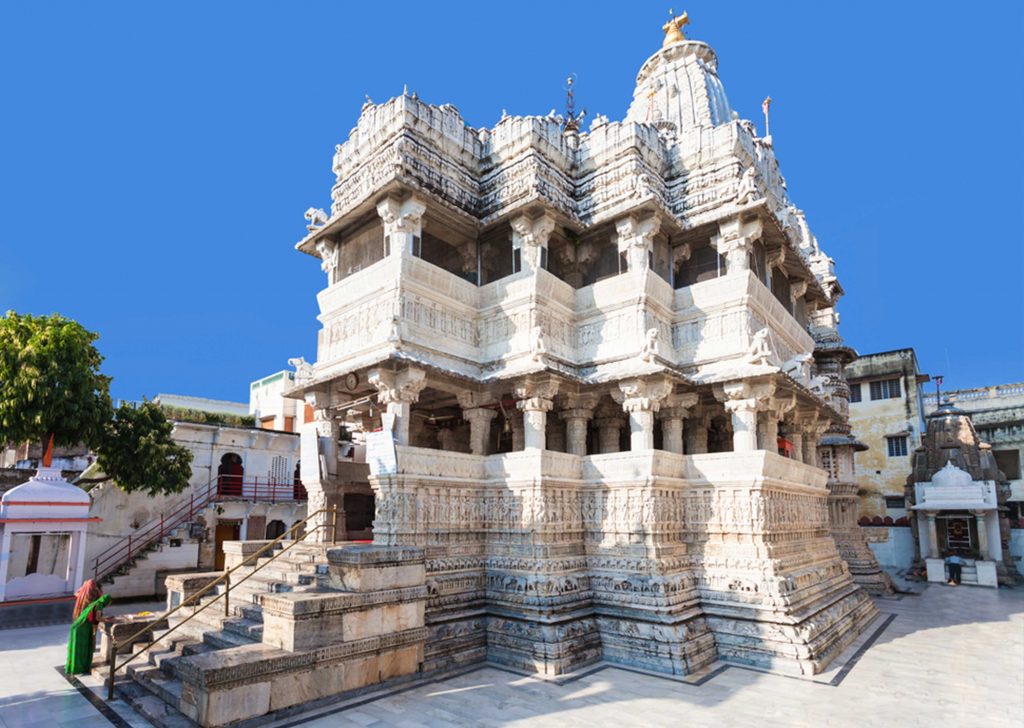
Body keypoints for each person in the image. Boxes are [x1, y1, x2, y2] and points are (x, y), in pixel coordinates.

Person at [65, 579, 111, 675]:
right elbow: (99, 609)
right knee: (87, 641)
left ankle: (75, 665)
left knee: (79, 645)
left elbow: (76, 593)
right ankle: (84, 662)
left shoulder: (82, 592)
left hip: (80, 619)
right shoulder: (95, 597)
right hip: (88, 621)